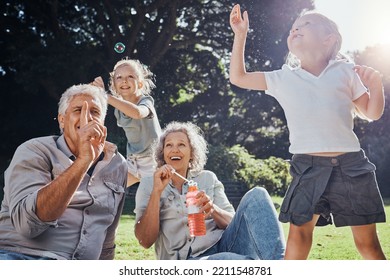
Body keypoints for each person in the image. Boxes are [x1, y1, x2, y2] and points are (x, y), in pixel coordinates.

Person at [229, 4, 386, 260]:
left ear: (329, 39)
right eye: (294, 27)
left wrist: (376, 85)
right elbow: (238, 77)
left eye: (307, 24)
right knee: (299, 236)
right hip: (308, 167)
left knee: (367, 244)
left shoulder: (346, 71)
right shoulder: (282, 78)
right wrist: (240, 35)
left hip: (351, 166)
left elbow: (371, 112)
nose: (296, 28)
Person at [0, 84, 128, 260]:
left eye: (95, 112)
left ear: (103, 121)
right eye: (78, 110)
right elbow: (27, 226)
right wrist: (84, 160)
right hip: (20, 256)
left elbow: (107, 236)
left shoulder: (118, 164)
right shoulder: (35, 150)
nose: (87, 117)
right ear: (62, 120)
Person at [134, 121, 286, 260]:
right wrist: (156, 192)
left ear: (192, 153)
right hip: (186, 260)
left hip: (223, 245)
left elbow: (234, 225)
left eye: (181, 144)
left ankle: (281, 267)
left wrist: (212, 208)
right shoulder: (150, 183)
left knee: (258, 195)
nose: (175, 149)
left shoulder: (208, 178)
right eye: (169, 145)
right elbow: (145, 241)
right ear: (162, 153)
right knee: (231, 261)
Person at [92, 58, 161, 188]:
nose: (124, 80)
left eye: (130, 76)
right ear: (114, 85)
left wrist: (106, 96)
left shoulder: (146, 101)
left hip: (154, 161)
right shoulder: (118, 109)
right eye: (119, 77)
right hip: (133, 163)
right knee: (106, 188)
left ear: (140, 84)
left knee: (160, 200)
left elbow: (137, 113)